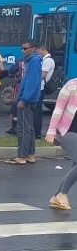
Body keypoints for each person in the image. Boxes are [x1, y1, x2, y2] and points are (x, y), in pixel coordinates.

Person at [5, 41, 42, 165]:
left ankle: (22, 155)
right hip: (28, 98)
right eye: (21, 48)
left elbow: (32, 82)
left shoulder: (34, 61)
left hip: (27, 100)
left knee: (23, 128)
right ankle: (30, 154)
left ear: (33, 48)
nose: (23, 50)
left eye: (25, 48)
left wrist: (24, 99)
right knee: (29, 128)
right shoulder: (30, 61)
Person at [46, 78, 77, 210]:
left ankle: (56, 196)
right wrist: (51, 131)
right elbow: (58, 109)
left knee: (75, 165)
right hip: (66, 131)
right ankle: (62, 194)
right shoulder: (71, 86)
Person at [35, 45, 56, 139]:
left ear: (43, 49)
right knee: (36, 110)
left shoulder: (48, 61)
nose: (37, 53)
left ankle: (37, 132)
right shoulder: (46, 60)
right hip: (40, 87)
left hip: (40, 88)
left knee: (37, 111)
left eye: (38, 50)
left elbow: (42, 75)